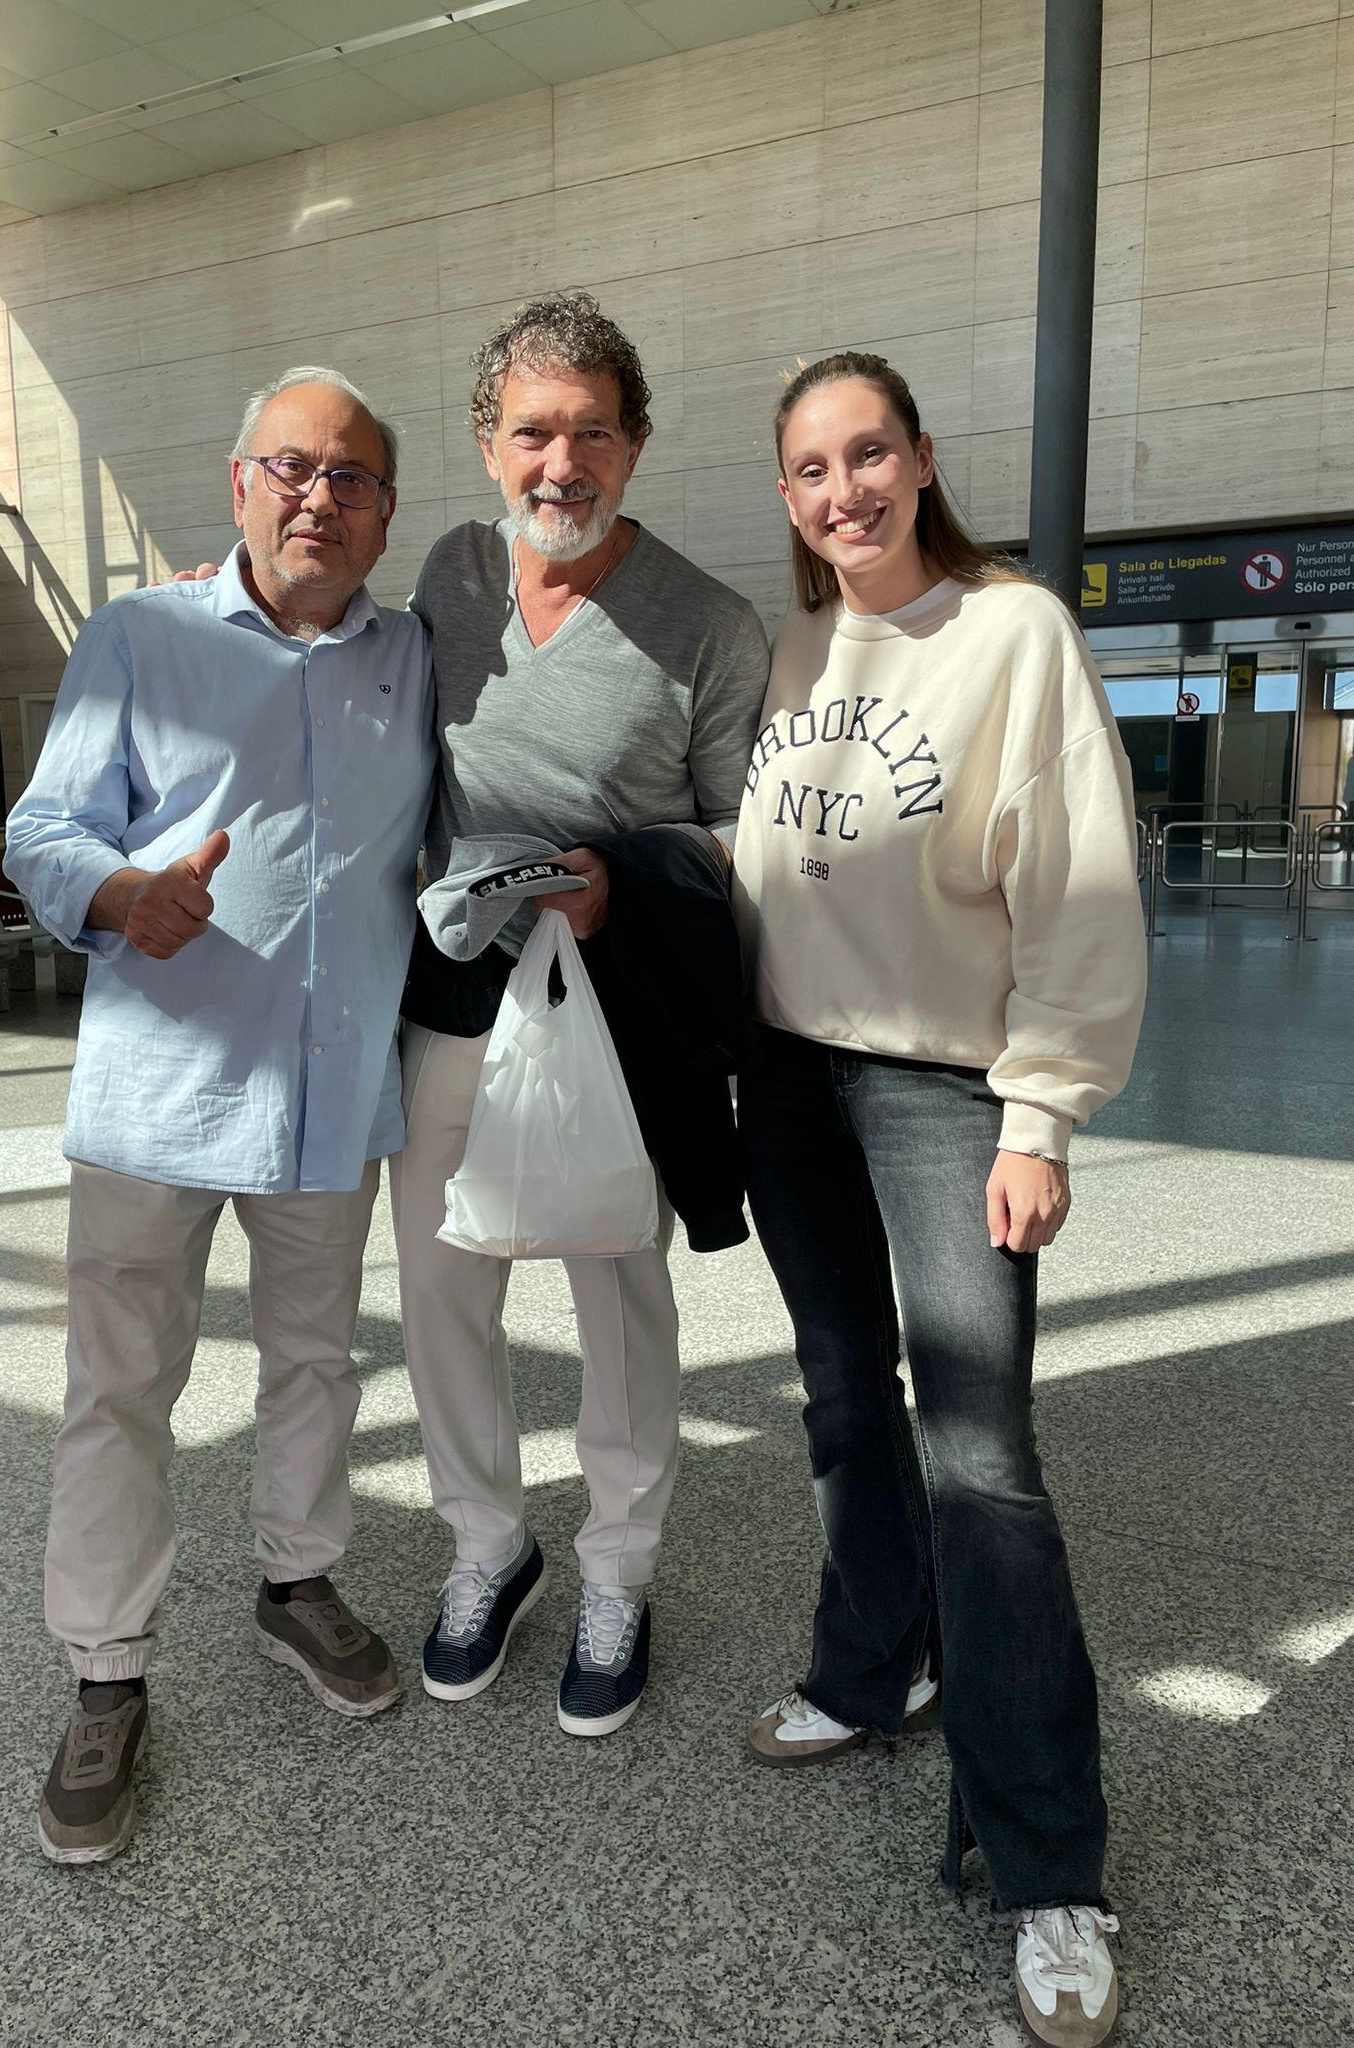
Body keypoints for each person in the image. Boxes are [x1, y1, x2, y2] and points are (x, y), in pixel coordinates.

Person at [732, 352, 1145, 2048]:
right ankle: (870, 1666)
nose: (845, 492)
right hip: (787, 1084)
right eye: (813, 470)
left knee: (983, 1457)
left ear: (919, 460)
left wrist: (1039, 1115)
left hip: (938, 1089)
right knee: (842, 1401)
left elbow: (1080, 887)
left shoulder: (1013, 631)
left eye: (870, 455)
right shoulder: (786, 648)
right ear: (787, 495)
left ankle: (1050, 1863)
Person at [5, 368, 435, 1864]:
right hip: (158, 1097)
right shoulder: (141, 636)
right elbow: (42, 829)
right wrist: (124, 891)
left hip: (329, 1096)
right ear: (240, 481)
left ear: (386, 511)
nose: (322, 496)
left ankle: (296, 1583)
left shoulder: (412, 656)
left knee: (316, 1361)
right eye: (294, 468)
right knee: (120, 1388)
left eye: (355, 478)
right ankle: (105, 1673)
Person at [397, 292, 770, 1736]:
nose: (564, 462)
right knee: (443, 1292)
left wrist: (628, 879)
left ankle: (620, 1569)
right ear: (489, 446)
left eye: (593, 431)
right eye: (533, 431)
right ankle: (488, 1546)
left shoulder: (709, 625)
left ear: (637, 442)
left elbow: (748, 839)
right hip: (454, 992)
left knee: (618, 1295)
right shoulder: (447, 579)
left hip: (620, 1009)